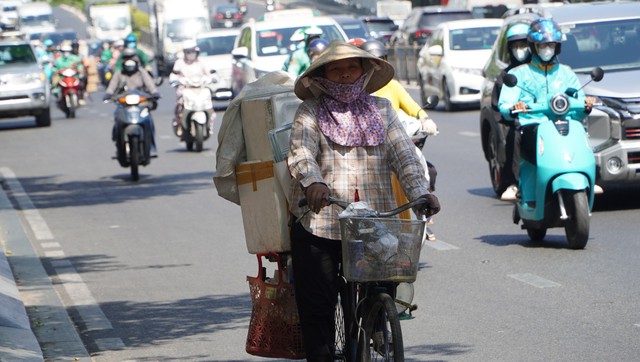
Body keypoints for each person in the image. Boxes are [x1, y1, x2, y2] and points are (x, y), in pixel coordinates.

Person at [287, 40, 441, 361]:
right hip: (323, 220)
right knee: (318, 310)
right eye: (336, 68)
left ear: (364, 71)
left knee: (386, 286)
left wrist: (419, 193)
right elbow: (301, 151)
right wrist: (313, 181)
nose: (344, 75)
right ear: (323, 75)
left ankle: (377, 323)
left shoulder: (382, 110)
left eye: (351, 67)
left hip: (374, 222)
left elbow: (405, 156)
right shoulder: (310, 111)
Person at [498, 18, 596, 199]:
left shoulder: (566, 73)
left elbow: (578, 106)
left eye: (551, 45)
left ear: (557, 47)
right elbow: (504, 105)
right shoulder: (518, 74)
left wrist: (586, 105)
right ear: (533, 47)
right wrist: (516, 107)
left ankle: (588, 176)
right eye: (542, 45)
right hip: (533, 127)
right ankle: (517, 185)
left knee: (582, 132)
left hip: (564, 126)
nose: (547, 49)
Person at [359, 39, 438, 230]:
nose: (376, 67)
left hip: (394, 145)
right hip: (366, 152)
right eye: (372, 62)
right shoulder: (356, 91)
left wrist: (425, 118)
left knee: (424, 169)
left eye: (380, 61)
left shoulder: (392, 86)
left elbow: (412, 107)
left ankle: (423, 209)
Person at [491, 22, 532, 201]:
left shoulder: (547, 71)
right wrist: (514, 109)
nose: (520, 49)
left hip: (546, 119)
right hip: (521, 121)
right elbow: (500, 107)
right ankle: (514, 182)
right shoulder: (506, 76)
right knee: (514, 133)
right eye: (515, 46)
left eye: (524, 45)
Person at [104, 48, 161, 154]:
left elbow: (150, 85)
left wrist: (154, 93)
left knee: (148, 120)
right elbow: (112, 87)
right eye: (126, 58)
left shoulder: (141, 72)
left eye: (132, 58)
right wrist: (108, 94)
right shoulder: (119, 73)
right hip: (123, 103)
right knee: (118, 119)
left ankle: (151, 145)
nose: (129, 61)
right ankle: (118, 142)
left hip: (141, 103)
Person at [169, 40, 215, 135]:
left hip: (201, 88)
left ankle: (210, 125)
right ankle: (179, 124)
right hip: (185, 88)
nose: (191, 54)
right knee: (180, 104)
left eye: (192, 51)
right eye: (188, 52)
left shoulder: (201, 62)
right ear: (184, 53)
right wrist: (175, 80)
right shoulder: (179, 63)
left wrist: (212, 78)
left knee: (209, 105)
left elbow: (210, 74)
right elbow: (174, 75)